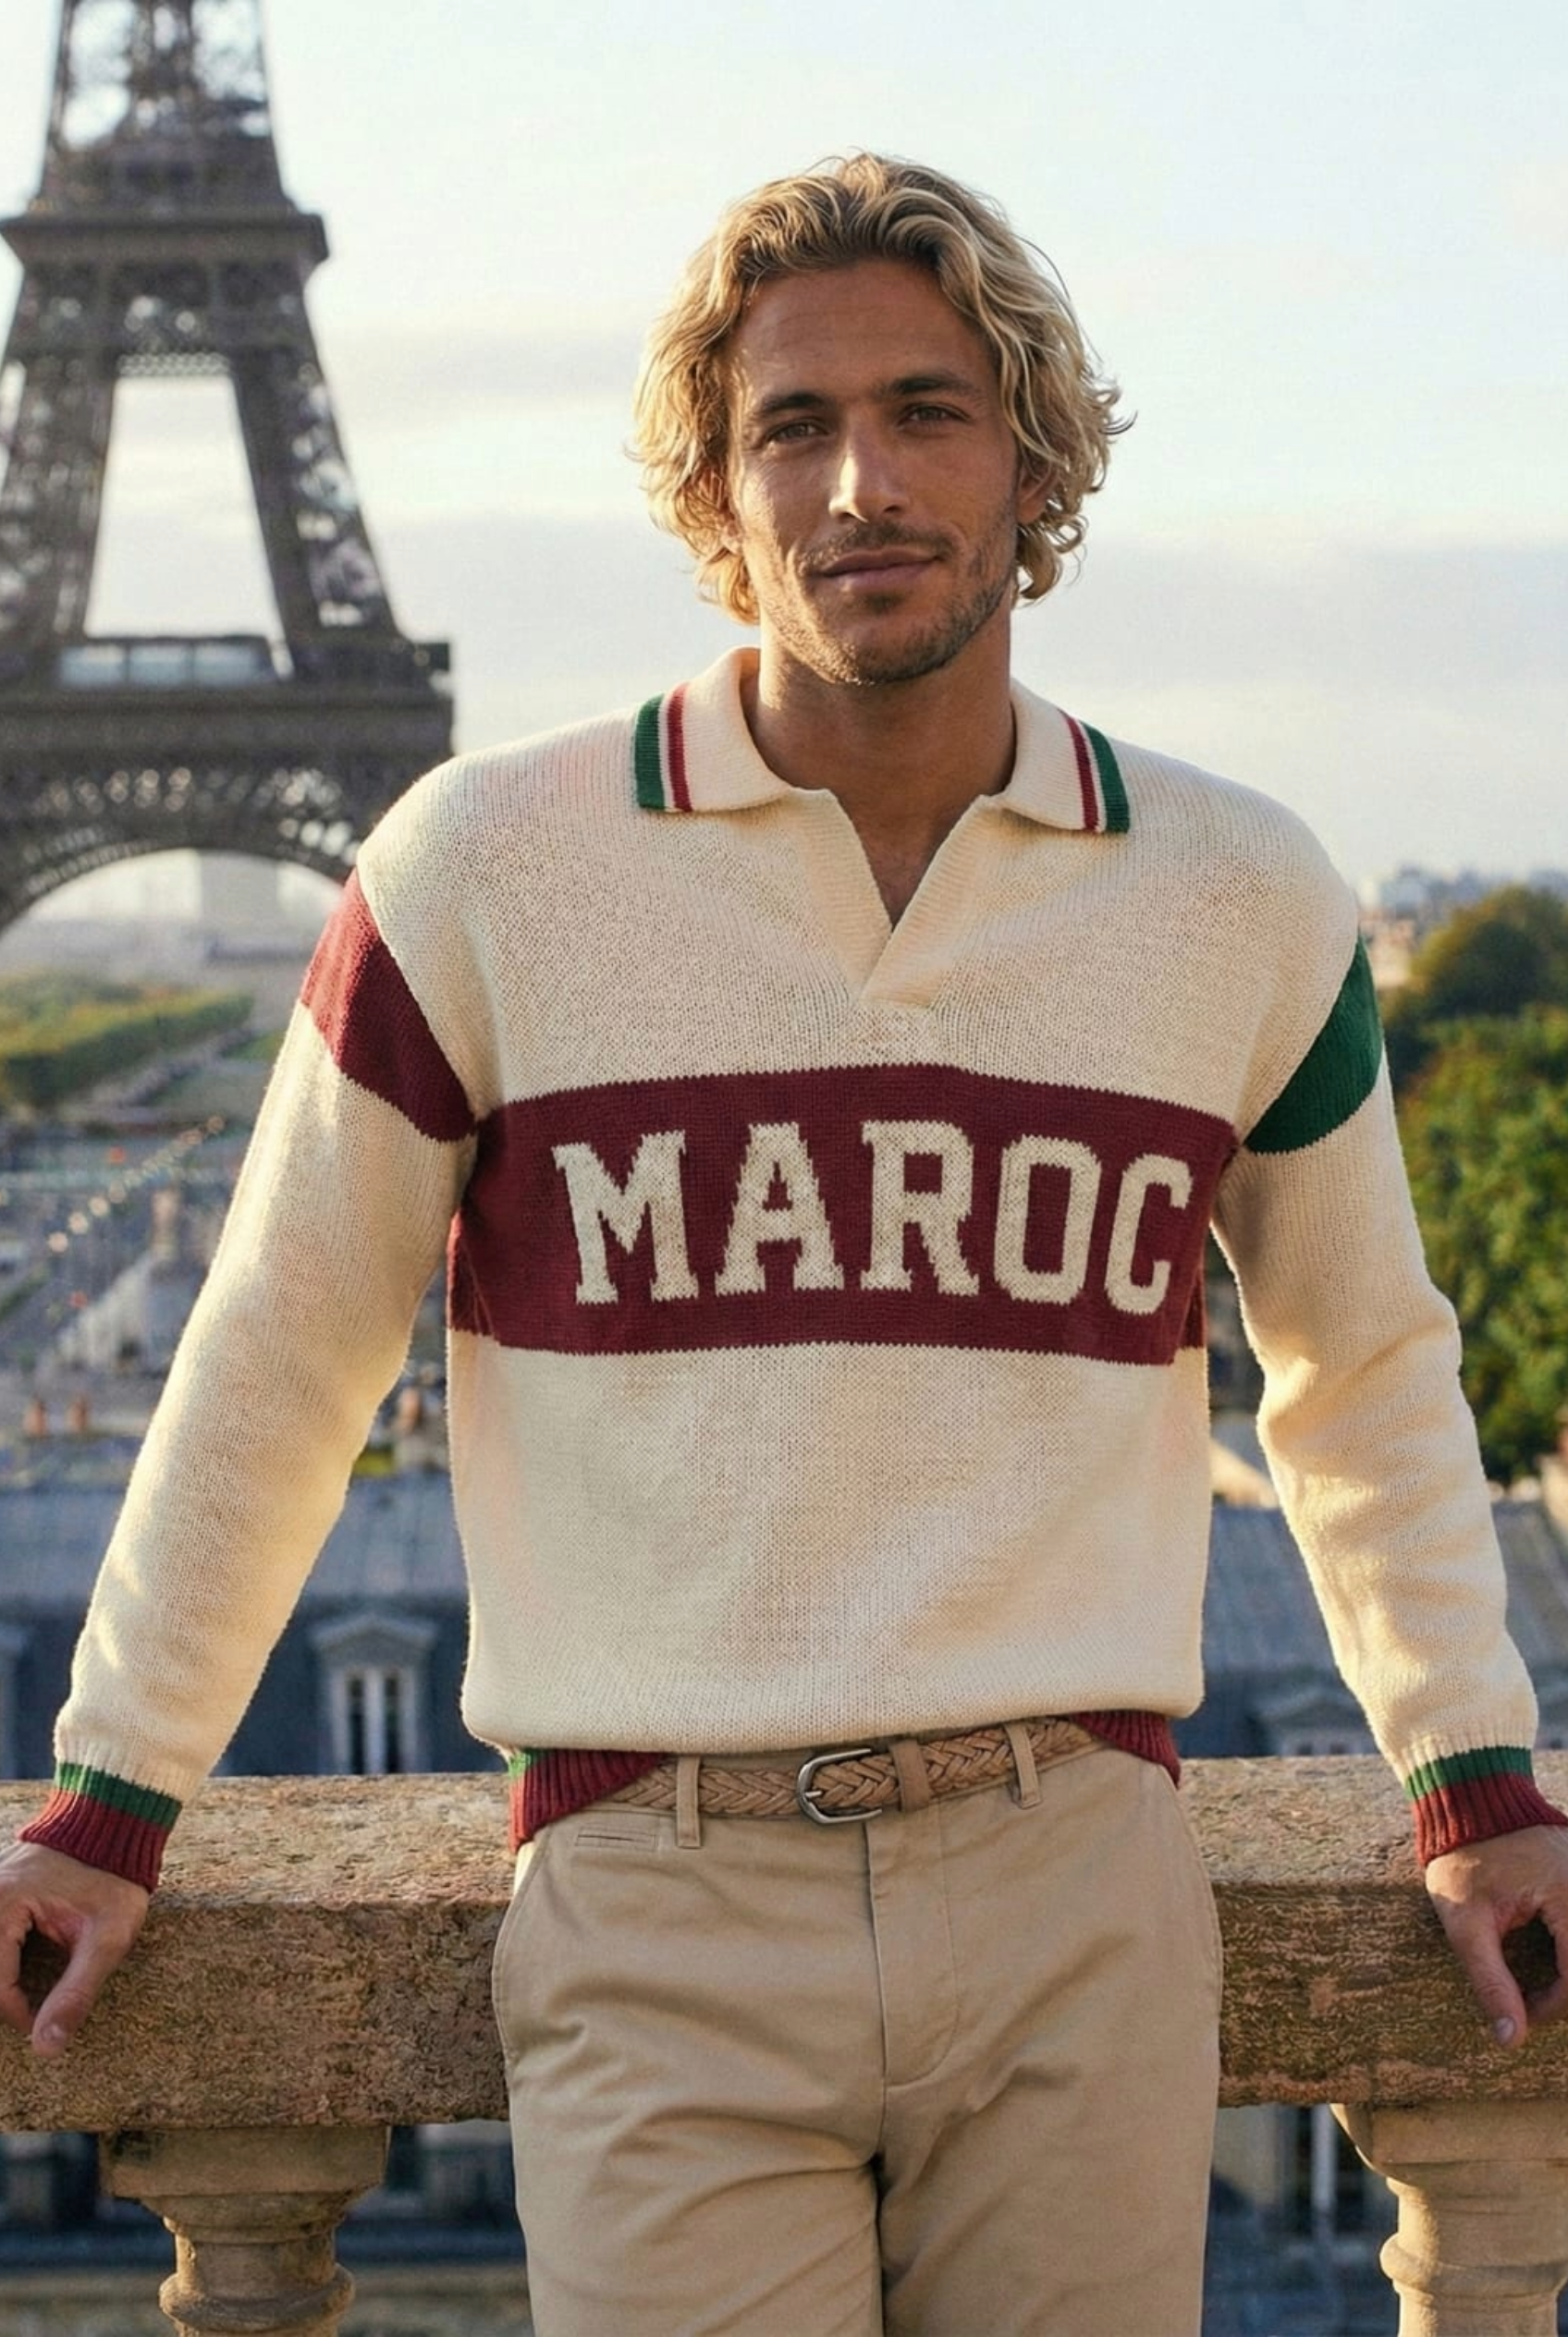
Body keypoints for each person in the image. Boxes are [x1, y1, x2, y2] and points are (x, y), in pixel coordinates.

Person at [2, 153, 1566, 2336]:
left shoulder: (1239, 898)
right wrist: (109, 1797)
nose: (860, 482)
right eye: (790, 426)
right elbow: (282, 1346)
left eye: (926, 411)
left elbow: (1360, 1368)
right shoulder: (479, 870)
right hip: (656, 1902)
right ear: (712, 491)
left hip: (1077, 1885)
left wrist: (1472, 1772)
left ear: (1032, 461)